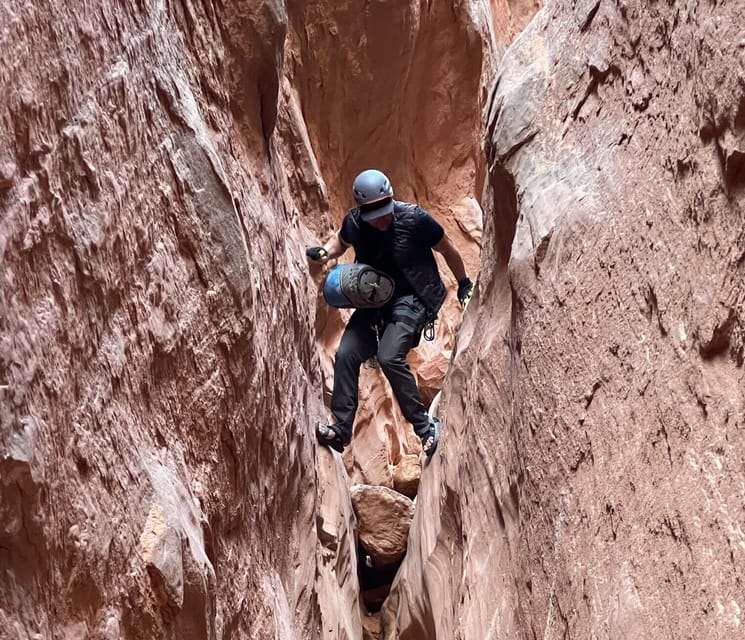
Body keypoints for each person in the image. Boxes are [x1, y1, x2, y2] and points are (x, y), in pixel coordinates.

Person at [306, 169, 474, 456]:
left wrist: (464, 283)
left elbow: (447, 249)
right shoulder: (355, 223)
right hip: (375, 301)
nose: (383, 219)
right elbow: (341, 240)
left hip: (414, 298)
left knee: (388, 356)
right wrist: (325, 252)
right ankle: (341, 430)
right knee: (346, 353)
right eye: (375, 215)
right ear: (362, 211)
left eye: (386, 210)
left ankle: (425, 428)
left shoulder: (415, 218)